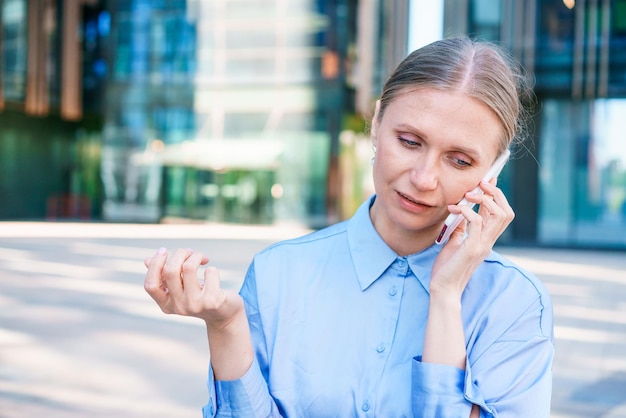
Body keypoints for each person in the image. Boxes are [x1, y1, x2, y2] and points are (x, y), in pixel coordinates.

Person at [144, 36, 554, 418]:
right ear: (376, 123)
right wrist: (226, 326)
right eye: (409, 141)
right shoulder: (278, 274)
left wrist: (446, 296)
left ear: (493, 172)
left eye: (460, 161)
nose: (424, 178)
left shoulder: (514, 304)